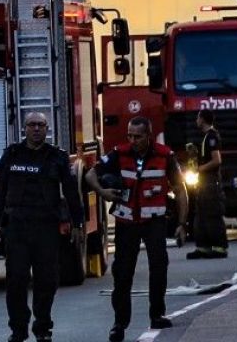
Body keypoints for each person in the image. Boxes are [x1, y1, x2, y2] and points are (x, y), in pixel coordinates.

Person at [92, 116, 186, 341]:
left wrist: (182, 224)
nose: (133, 140)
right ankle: (119, 323)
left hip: (154, 221)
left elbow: (181, 190)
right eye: (130, 136)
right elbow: (89, 174)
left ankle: (157, 314)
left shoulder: (165, 156)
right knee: (123, 275)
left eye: (138, 136)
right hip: (126, 223)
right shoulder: (119, 154)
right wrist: (102, 192)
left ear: (148, 136)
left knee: (159, 267)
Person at [0, 111, 79, 342]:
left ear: (47, 129)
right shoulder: (12, 155)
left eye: (41, 125)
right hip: (17, 228)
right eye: (32, 125)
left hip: (46, 228)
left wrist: (77, 222)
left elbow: (71, 192)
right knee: (16, 280)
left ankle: (43, 328)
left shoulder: (57, 157)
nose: (36, 129)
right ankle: (18, 330)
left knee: (46, 281)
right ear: (24, 128)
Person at [185, 110, 228, 259]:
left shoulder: (211, 137)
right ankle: (203, 247)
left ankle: (219, 247)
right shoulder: (205, 137)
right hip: (204, 182)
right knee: (200, 214)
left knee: (212, 214)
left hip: (211, 182)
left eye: (198, 118)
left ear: (202, 120)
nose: (196, 120)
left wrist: (199, 169)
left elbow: (217, 160)